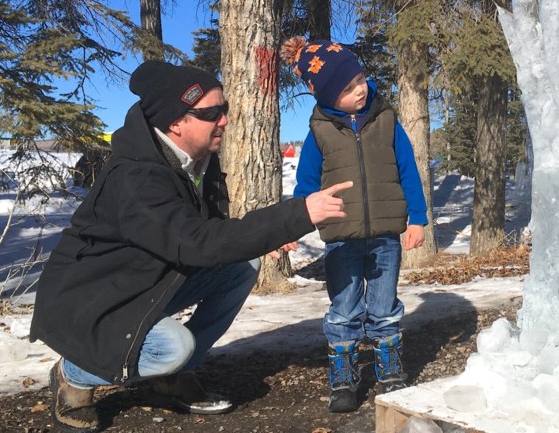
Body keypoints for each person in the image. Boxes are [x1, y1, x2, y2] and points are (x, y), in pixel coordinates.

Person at [30, 60, 352, 433]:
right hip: (96, 299)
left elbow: (208, 231)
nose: (225, 121)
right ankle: (74, 373)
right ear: (175, 122)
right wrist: (296, 215)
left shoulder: (198, 159)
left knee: (242, 268)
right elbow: (195, 243)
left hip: (146, 281)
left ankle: (172, 376)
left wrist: (267, 237)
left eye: (224, 109)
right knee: (171, 347)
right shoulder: (136, 177)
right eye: (211, 113)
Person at [280, 37, 427, 413]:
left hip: (385, 237)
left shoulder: (386, 120)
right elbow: (307, 186)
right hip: (341, 239)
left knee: (384, 306)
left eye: (359, 78)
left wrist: (418, 219)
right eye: (347, 88)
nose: (359, 89)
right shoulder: (320, 132)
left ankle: (390, 368)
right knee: (344, 309)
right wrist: (292, 226)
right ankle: (344, 375)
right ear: (328, 97)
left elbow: (408, 171)